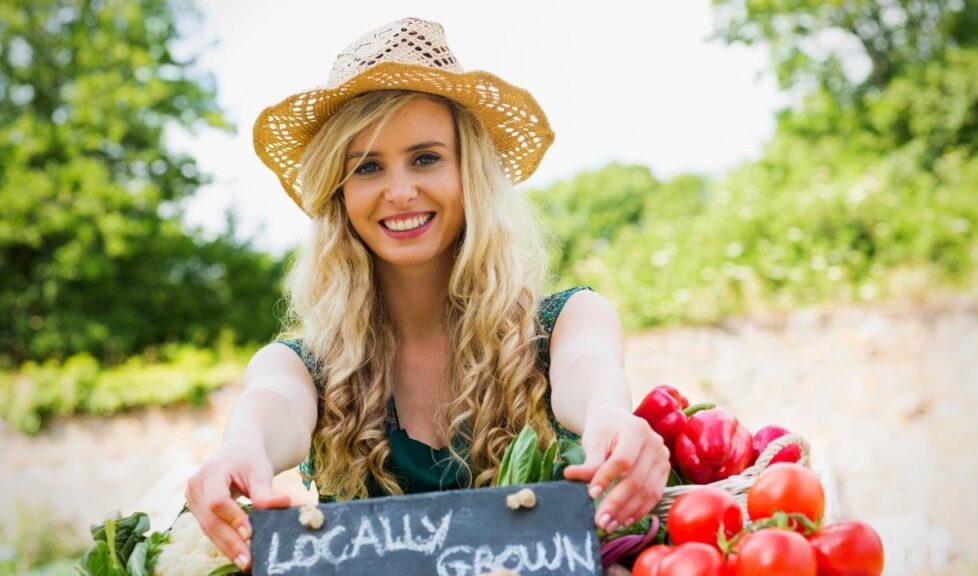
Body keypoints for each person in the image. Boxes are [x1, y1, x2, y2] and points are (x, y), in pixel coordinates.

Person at [185, 17, 670, 571]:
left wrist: (609, 415)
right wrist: (242, 447)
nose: (399, 191)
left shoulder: (568, 321)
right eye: (367, 167)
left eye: (426, 158)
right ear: (339, 195)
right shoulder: (303, 368)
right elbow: (269, 408)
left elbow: (591, 373)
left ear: (471, 174)